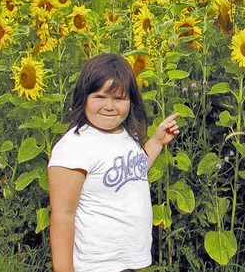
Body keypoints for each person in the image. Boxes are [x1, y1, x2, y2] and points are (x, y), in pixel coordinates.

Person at [47, 53, 180, 272]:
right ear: (84, 98)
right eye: (100, 96)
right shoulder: (74, 147)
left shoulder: (125, 134)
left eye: (119, 98)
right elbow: (63, 215)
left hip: (126, 262)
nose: (109, 106)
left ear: (130, 101)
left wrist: (156, 142)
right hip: (96, 264)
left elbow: (131, 173)